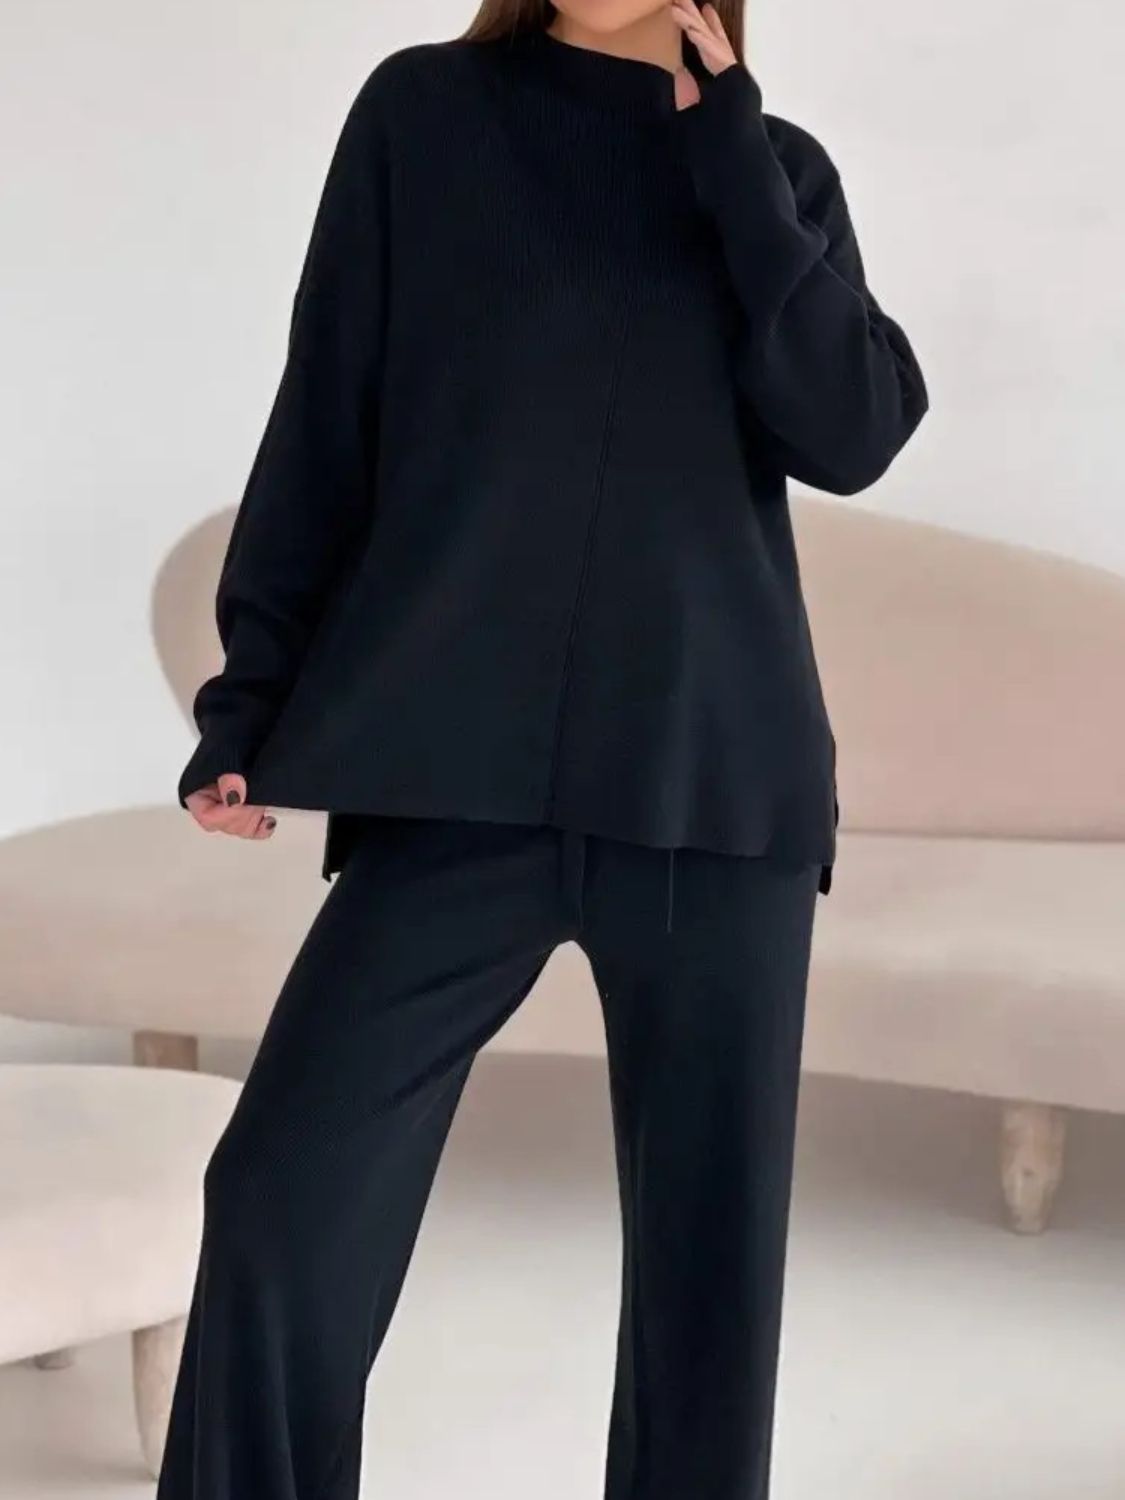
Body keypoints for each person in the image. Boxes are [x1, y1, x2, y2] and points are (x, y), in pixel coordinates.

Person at [159, 2, 928, 1497]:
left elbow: (853, 431)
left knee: (707, 1301)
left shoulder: (773, 168)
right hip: (453, 781)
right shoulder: (422, 118)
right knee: (278, 1202)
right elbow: (326, 418)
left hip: (712, 788)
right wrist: (252, 696)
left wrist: (729, 158)